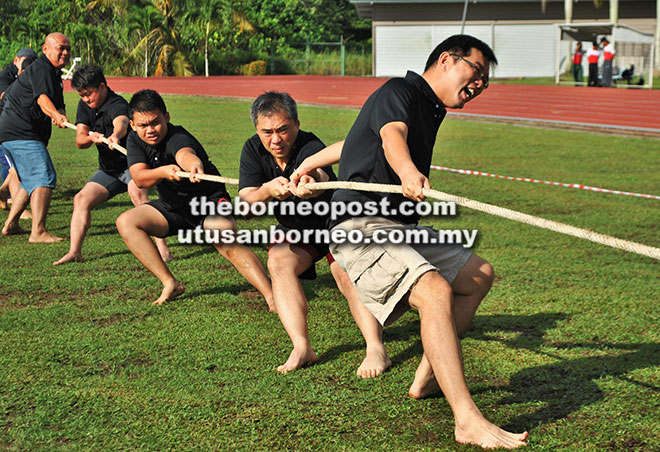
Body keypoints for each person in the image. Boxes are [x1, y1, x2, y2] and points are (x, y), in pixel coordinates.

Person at [293, 35, 528, 449]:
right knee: (435, 290)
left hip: (399, 226)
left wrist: (309, 162)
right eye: (476, 73)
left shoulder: (429, 107)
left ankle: (428, 375)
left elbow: (358, 140)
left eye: (485, 83)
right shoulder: (400, 91)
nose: (478, 86)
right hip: (360, 223)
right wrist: (406, 170)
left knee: (478, 275)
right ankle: (467, 420)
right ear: (446, 59)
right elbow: (390, 135)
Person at [238, 91, 390, 377]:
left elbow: (320, 175)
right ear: (257, 130)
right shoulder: (252, 150)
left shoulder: (310, 145)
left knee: (343, 272)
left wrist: (311, 182)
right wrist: (267, 191)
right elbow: (246, 207)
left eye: (283, 130)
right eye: (267, 132)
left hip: (334, 225)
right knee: (278, 261)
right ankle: (301, 347)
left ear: (296, 123)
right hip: (298, 232)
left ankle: (375, 347)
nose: (275, 140)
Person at [116, 89, 274, 307]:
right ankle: (170, 282)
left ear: (167, 117)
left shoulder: (177, 136)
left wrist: (193, 166)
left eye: (155, 122)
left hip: (209, 202)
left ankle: (272, 295)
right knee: (126, 221)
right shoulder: (134, 139)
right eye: (143, 125)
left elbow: (185, 154)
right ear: (133, 125)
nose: (150, 130)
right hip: (175, 208)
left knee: (224, 238)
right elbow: (140, 178)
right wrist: (163, 171)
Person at [53, 64, 172, 265]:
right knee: (81, 199)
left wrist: (114, 137)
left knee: (137, 194)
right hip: (109, 170)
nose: (85, 99)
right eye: (82, 95)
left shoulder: (117, 103)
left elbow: (122, 124)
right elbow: (80, 141)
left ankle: (163, 250)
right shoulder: (85, 106)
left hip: (133, 165)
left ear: (102, 87)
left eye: (88, 94)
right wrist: (92, 138)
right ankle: (75, 252)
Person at [0, 33, 71, 242]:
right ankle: (38, 231)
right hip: (21, 132)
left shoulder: (53, 73)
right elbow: (42, 99)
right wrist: (55, 114)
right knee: (43, 176)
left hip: (14, 132)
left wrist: (60, 112)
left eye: (68, 48)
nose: (65, 52)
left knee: (29, 181)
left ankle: (11, 224)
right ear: (45, 49)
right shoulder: (42, 68)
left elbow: (56, 100)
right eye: (60, 48)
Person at [0, 53, 37, 214]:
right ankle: (20, 210)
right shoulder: (5, 78)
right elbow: (6, 99)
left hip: (17, 129)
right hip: (6, 130)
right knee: (14, 168)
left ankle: (3, 192)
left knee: (15, 167)